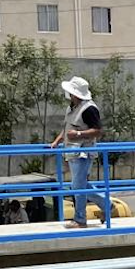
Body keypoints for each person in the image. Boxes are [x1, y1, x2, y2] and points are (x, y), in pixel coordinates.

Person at [50, 76, 106, 228]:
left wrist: (79, 134)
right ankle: (107, 205)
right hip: (72, 152)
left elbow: (98, 130)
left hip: (83, 152)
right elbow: (67, 128)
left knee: (78, 186)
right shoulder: (72, 108)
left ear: (75, 94)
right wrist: (57, 141)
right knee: (80, 185)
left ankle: (80, 219)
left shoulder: (89, 109)